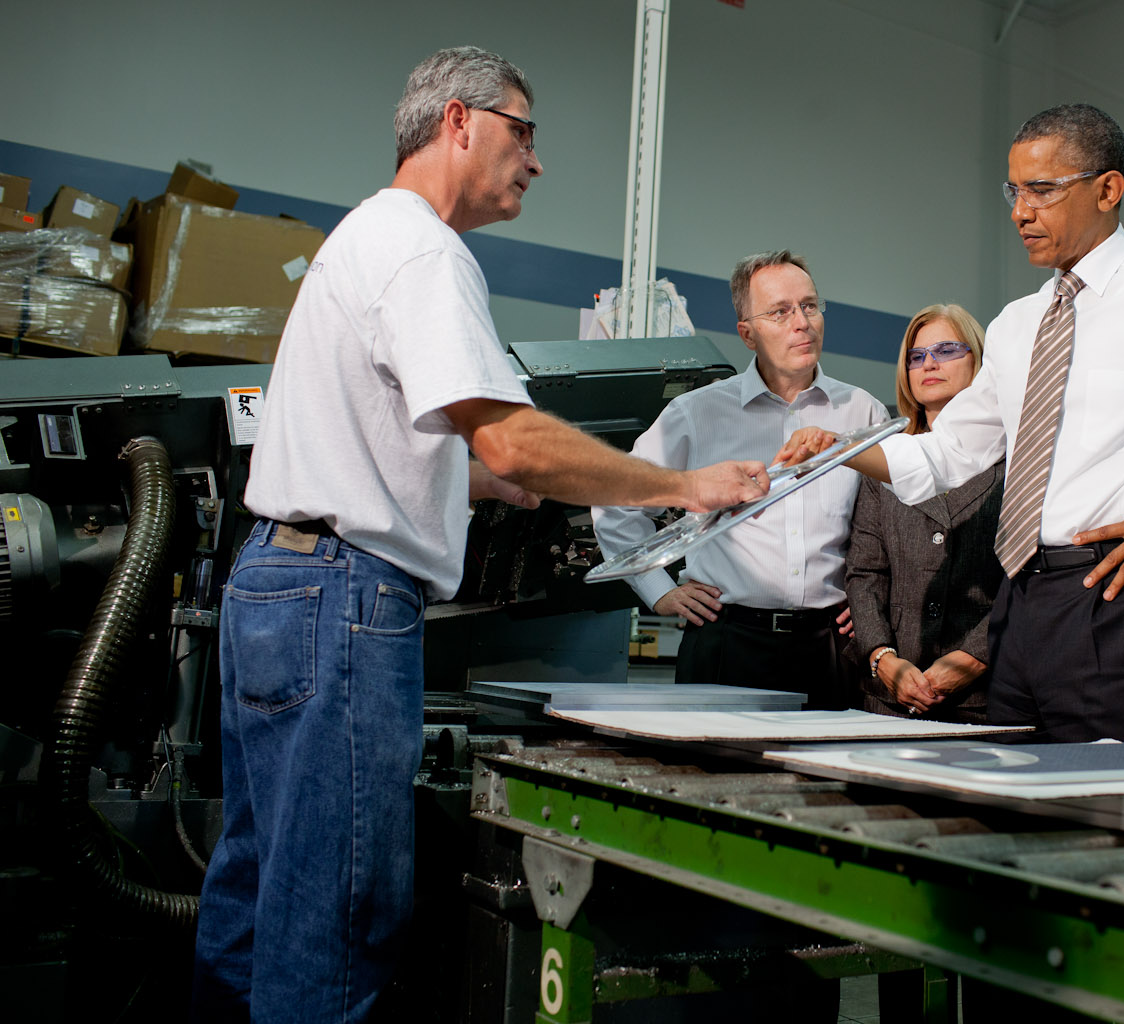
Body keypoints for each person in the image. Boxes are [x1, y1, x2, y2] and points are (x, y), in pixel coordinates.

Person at [190, 47, 767, 1022]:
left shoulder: (363, 237)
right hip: (343, 599)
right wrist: (684, 482)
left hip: (273, 584)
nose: (535, 161)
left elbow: (394, 437)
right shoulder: (423, 249)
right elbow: (515, 434)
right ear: (460, 121)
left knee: (260, 888)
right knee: (336, 910)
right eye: (524, 131)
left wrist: (482, 485)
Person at [779, 104, 1124, 747]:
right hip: (1021, 608)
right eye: (1014, 191)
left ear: (1107, 189)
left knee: (1119, 824)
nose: (1020, 210)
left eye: (1043, 189)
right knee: (1014, 821)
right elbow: (947, 456)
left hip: (1123, 595)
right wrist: (842, 450)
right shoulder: (1018, 323)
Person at [592, 251, 887, 709]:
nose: (802, 322)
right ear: (747, 334)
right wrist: (659, 591)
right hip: (727, 643)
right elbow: (617, 502)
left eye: (810, 306)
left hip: (832, 646)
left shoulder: (860, 412)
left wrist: (872, 605)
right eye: (780, 311)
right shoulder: (695, 414)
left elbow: (887, 529)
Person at [845, 304, 1004, 722]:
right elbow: (865, 574)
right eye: (916, 356)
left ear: (980, 362)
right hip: (890, 696)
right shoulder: (886, 461)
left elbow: (1024, 582)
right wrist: (882, 658)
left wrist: (973, 658)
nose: (928, 363)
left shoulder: (1016, 462)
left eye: (947, 350)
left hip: (985, 696)